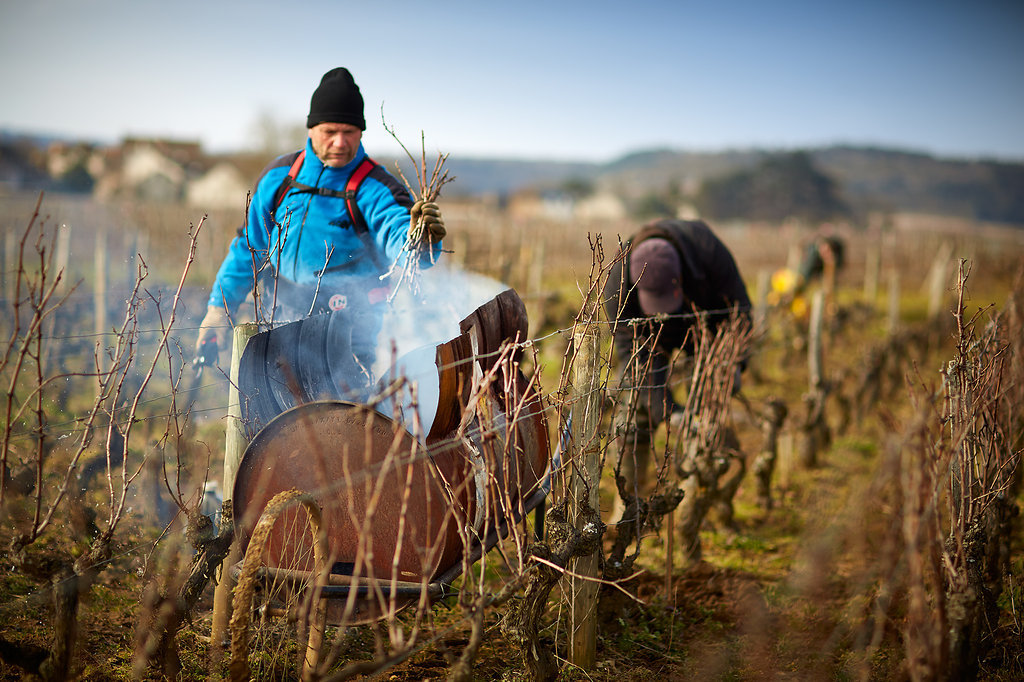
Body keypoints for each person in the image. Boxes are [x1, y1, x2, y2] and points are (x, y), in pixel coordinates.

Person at [194, 67, 445, 375]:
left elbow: (400, 237)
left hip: (349, 341)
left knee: (338, 420)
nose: (340, 142)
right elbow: (250, 247)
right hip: (275, 325)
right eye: (330, 131)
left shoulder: (375, 187)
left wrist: (420, 242)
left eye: (349, 131)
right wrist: (219, 310)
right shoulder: (280, 177)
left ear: (361, 132)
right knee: (269, 416)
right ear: (311, 129)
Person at [603, 218, 752, 505]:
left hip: (706, 332)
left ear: (681, 277)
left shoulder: (708, 251)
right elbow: (630, 348)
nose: (663, 310)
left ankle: (698, 496)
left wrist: (733, 362)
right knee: (634, 411)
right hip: (648, 339)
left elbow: (740, 311)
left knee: (707, 412)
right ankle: (628, 504)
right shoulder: (617, 280)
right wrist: (669, 410)